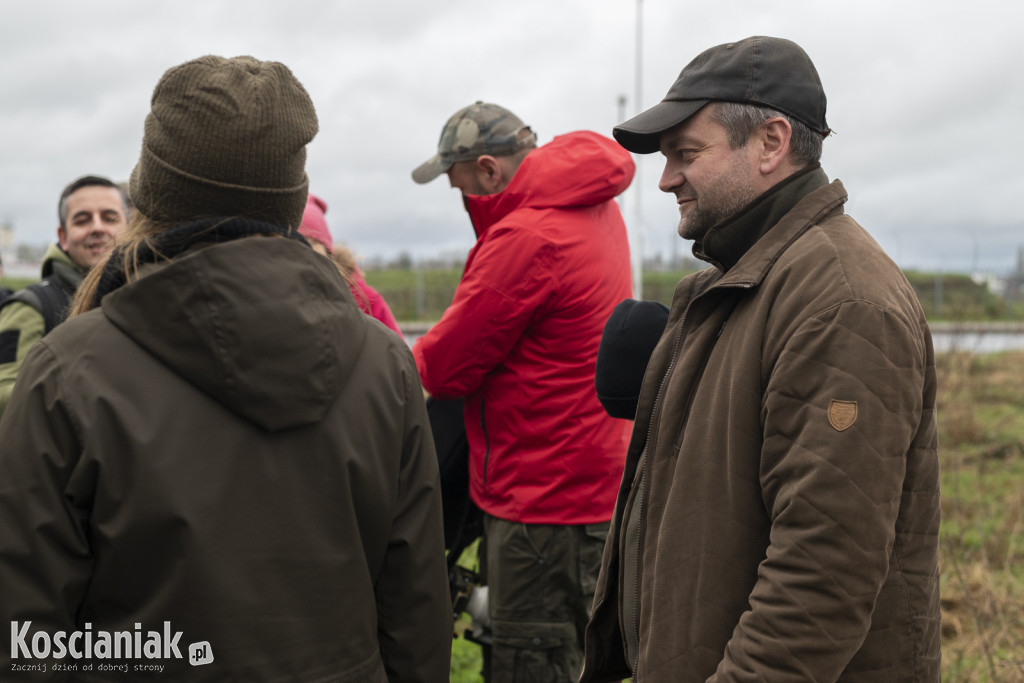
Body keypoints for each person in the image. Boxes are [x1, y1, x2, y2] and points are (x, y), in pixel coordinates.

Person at [0, 55, 451, 682]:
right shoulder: (384, 363)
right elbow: (416, 608)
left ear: (150, 195)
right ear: (290, 198)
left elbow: (26, 633)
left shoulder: (68, 370)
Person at [580, 36, 941, 682]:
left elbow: (819, 580)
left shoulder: (841, 301)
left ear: (772, 143)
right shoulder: (733, 287)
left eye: (686, 154)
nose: (664, 179)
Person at [411, 101, 635, 682]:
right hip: (591, 482)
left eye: (461, 190)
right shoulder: (594, 206)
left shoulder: (527, 237)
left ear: (488, 171)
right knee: (578, 655)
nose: (464, 205)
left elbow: (445, 367)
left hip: (540, 499)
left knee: (529, 663)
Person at [0, 175, 128, 417]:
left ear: (130, 228)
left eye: (110, 218)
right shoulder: (29, 307)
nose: (98, 228)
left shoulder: (145, 294)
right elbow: (4, 396)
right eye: (82, 220)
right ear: (63, 237)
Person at [299, 192, 403, 335]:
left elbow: (397, 352)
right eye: (296, 247)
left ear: (328, 254)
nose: (305, 260)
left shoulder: (366, 300)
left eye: (313, 246)